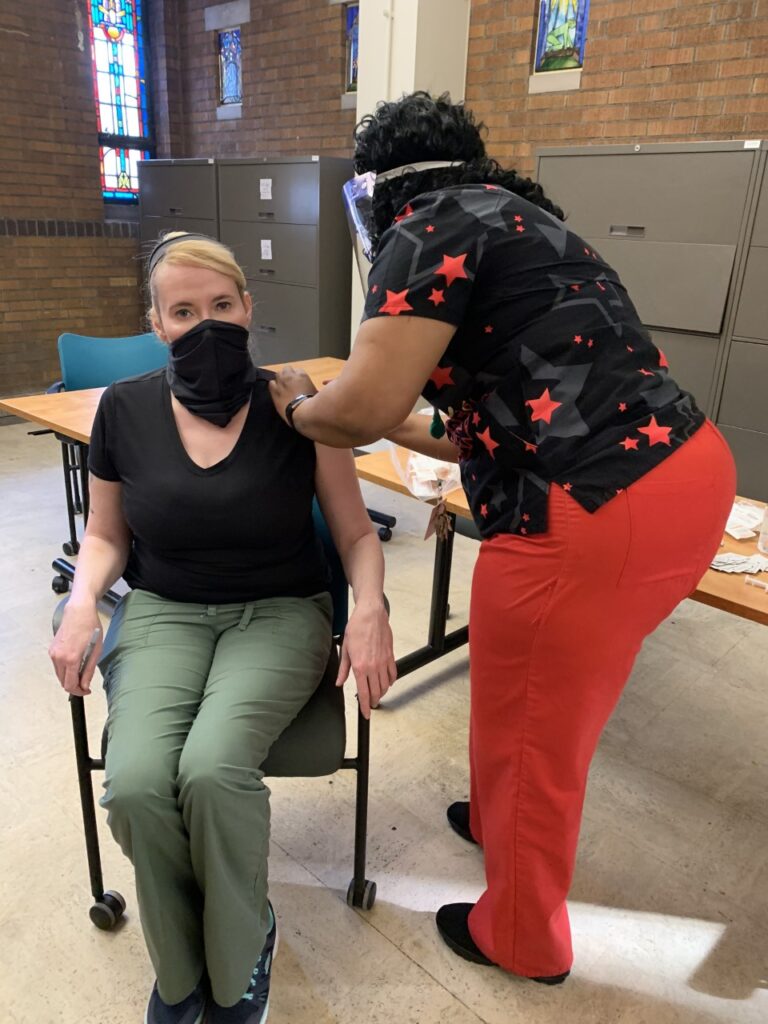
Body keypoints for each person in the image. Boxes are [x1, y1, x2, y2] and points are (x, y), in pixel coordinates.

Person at [269, 92, 736, 985]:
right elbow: (460, 428)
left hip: (592, 508)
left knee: (534, 729)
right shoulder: (522, 220)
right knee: (539, 701)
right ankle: (495, 819)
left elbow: (366, 402)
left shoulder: (424, 220)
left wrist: (297, 405)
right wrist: (371, 423)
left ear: (382, 181)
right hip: (681, 477)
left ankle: (522, 934)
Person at [48, 232, 396, 1024]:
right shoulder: (124, 410)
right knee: (136, 784)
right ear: (156, 323)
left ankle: (242, 952)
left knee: (210, 769)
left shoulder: (295, 405)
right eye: (182, 310)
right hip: (165, 609)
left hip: (279, 611)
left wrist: (369, 606)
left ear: (249, 307)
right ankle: (182, 971)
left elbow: (356, 533)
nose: (205, 323)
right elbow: (105, 536)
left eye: (221, 305)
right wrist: (79, 604)